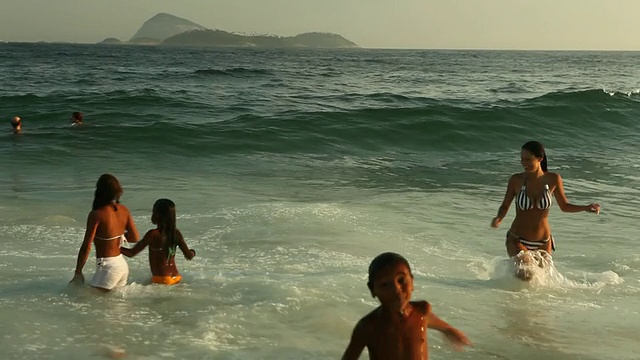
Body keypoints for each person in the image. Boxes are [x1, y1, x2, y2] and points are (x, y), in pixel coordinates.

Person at [341, 252, 471, 360]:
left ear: (412, 281)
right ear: (372, 290)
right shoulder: (368, 326)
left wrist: (448, 330)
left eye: (401, 280)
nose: (396, 289)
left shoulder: (422, 311)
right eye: (385, 284)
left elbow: (429, 319)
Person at [491, 141, 600, 259]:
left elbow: (565, 206)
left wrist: (585, 207)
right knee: (525, 273)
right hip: (518, 238)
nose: (524, 163)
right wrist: (499, 218)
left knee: (541, 277)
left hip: (544, 241)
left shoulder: (553, 179)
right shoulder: (516, 180)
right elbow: (505, 206)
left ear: (540, 158)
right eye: (522, 159)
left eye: (528, 159)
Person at [70, 174, 140, 291]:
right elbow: (135, 237)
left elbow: (87, 245)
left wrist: (78, 271)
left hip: (108, 268)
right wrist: (115, 239)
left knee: (91, 303)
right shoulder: (124, 210)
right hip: (121, 265)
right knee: (114, 306)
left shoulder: (97, 214)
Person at [120, 199, 195, 285]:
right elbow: (189, 256)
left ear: (158, 215)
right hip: (176, 278)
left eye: (153, 212)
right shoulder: (176, 233)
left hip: (162, 280)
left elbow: (131, 253)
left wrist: (114, 247)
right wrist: (193, 252)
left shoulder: (153, 234)